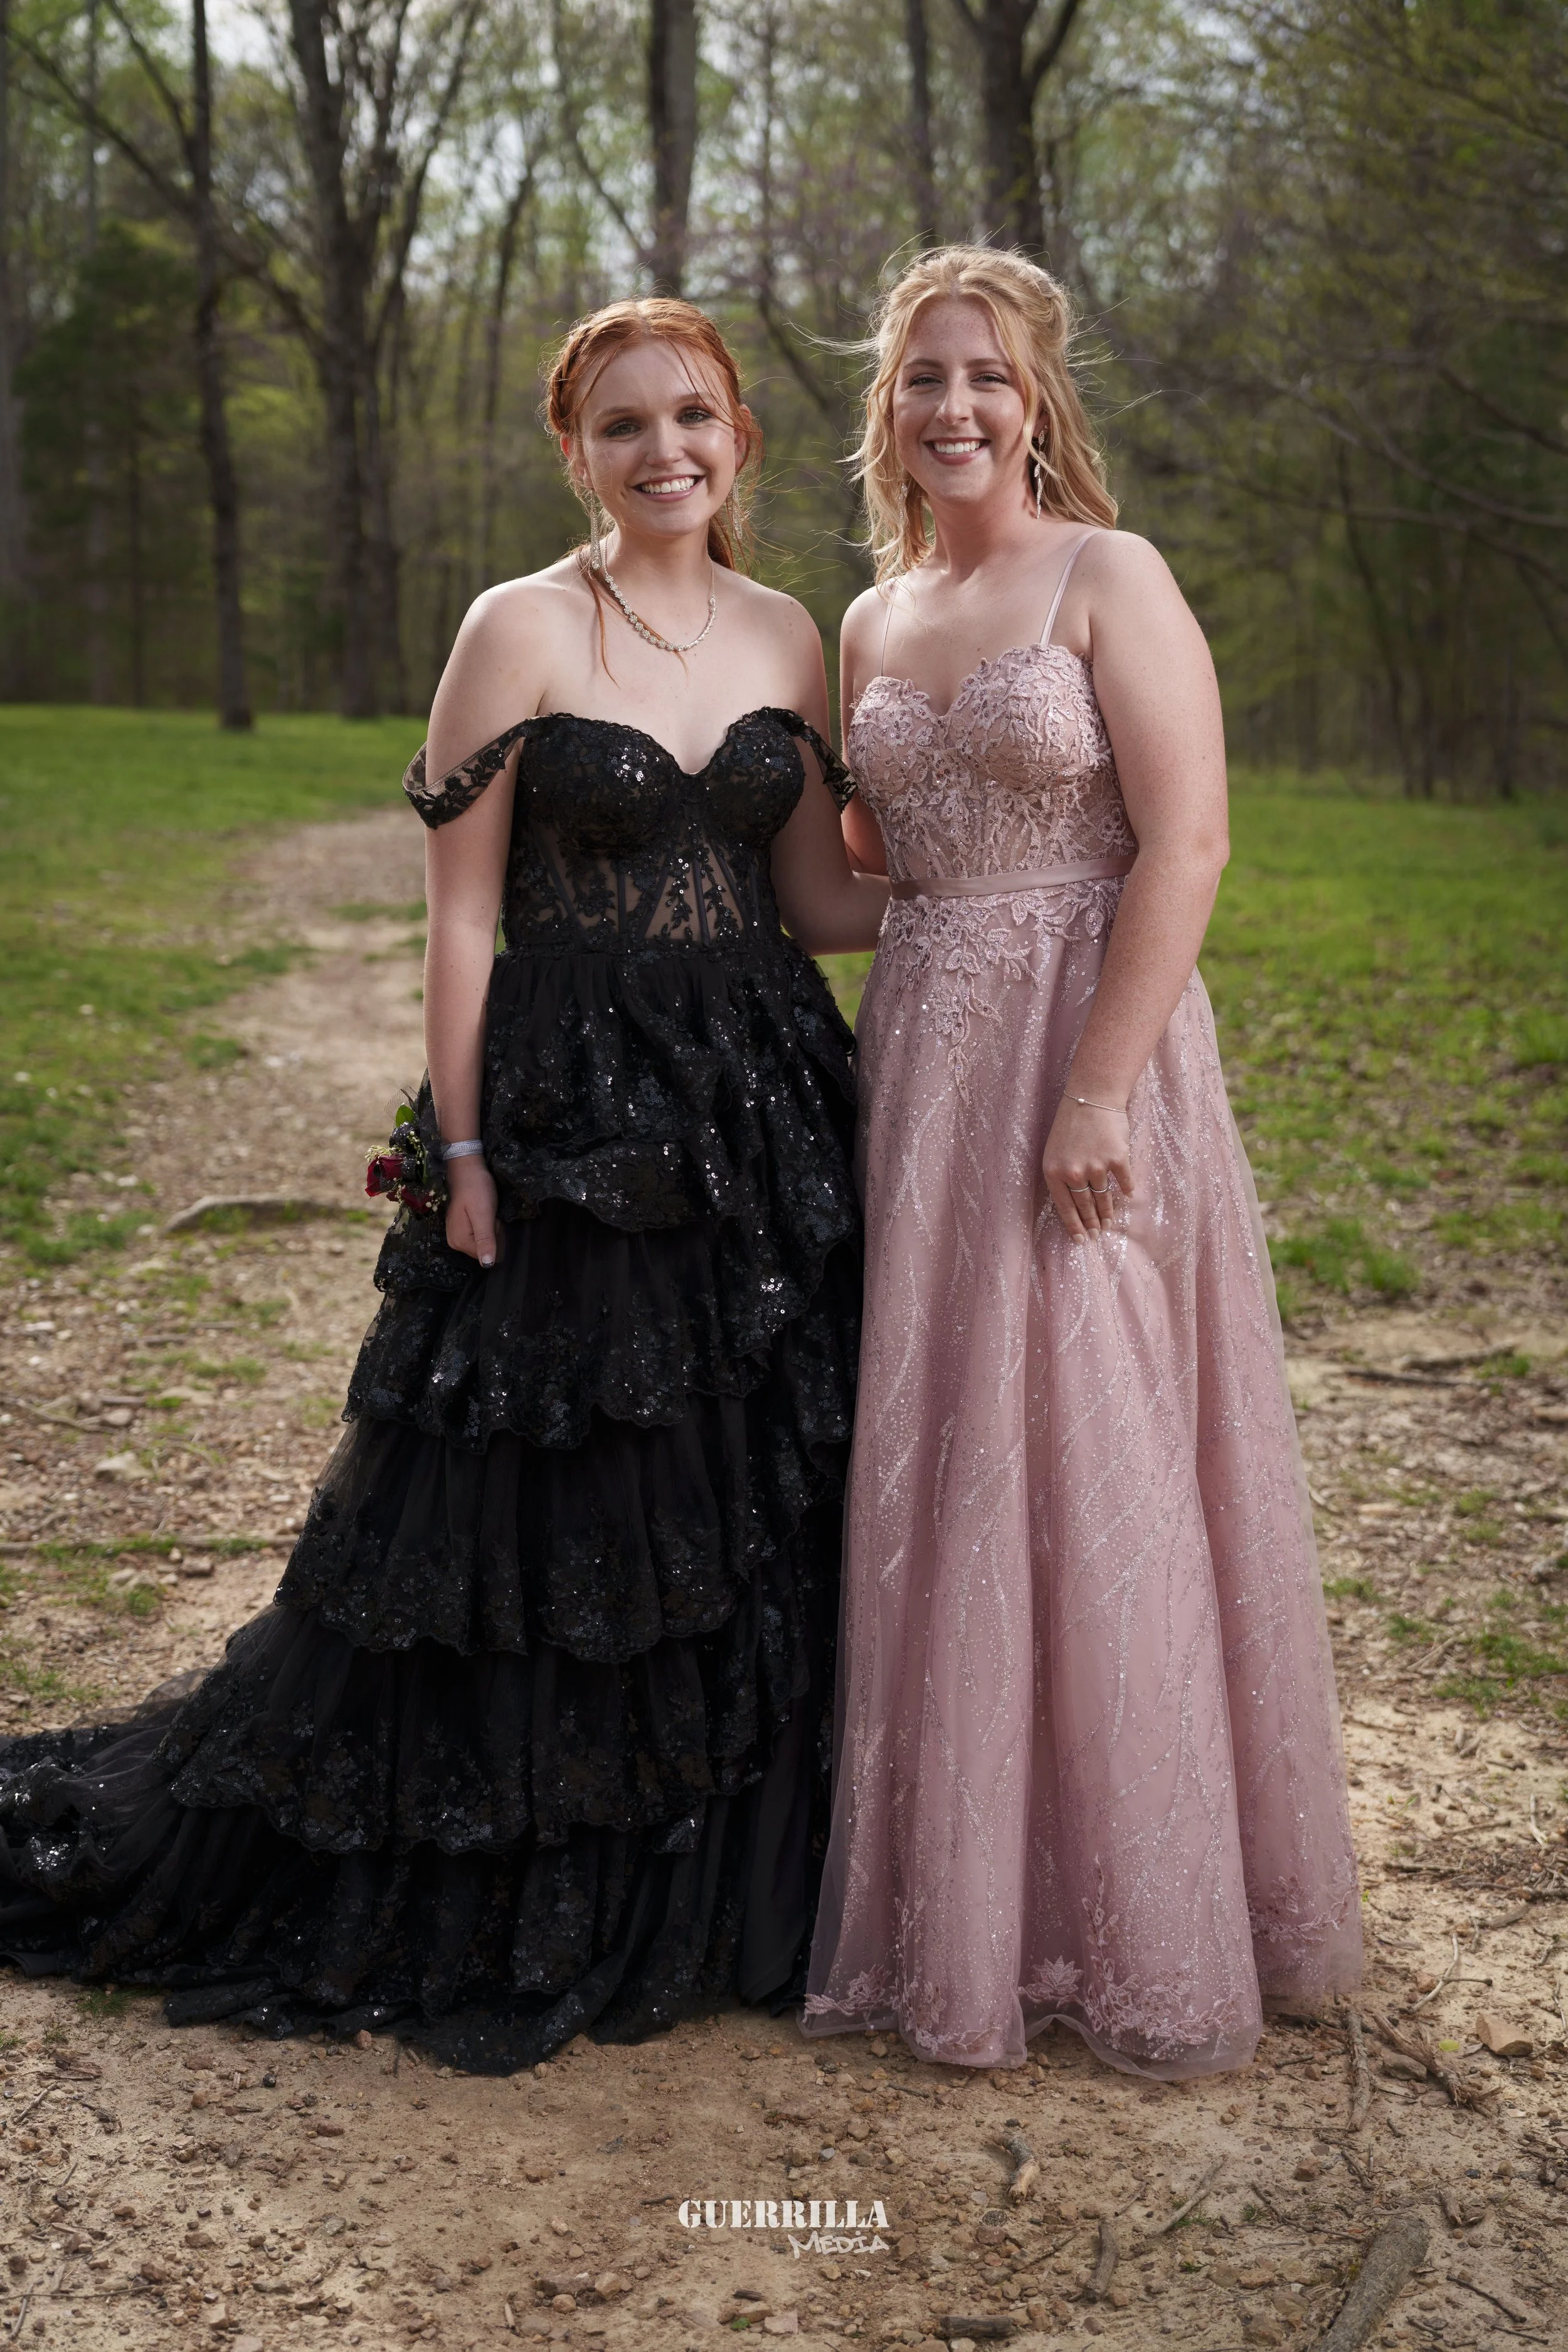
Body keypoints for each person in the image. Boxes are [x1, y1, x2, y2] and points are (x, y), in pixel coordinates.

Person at [0, 297, 887, 2072]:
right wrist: (463, 1151)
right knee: (556, 1505)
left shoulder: (795, 630)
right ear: (576, 450)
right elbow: (464, 912)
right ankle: (525, 1862)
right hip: (568, 1114)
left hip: (762, 1111)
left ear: (742, 441)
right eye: (624, 425)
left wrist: (1036, 869)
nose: (665, 453)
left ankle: (728, 1874)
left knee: (748, 1494)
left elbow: (820, 897)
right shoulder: (516, 627)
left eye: (694, 418)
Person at [803, 246, 1361, 2078]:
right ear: (884, 409)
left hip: (1087, 1046)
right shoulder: (868, 623)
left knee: (1097, 1441)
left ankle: (1147, 1910)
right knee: (954, 1448)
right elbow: (845, 875)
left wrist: (1100, 1089)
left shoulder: (1108, 575)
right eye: (917, 380)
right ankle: (974, 1905)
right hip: (931, 1052)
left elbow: (1187, 840)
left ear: (1035, 398)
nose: (950, 407)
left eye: (982, 375)